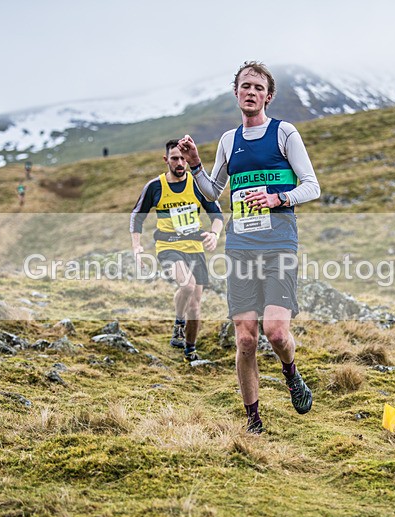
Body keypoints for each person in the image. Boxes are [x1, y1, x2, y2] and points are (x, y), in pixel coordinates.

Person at [178, 61, 321, 434]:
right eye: (246, 86)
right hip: (240, 246)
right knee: (245, 338)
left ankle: (291, 373)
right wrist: (196, 165)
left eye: (259, 87)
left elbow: (312, 186)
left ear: (268, 96)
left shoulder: (283, 133)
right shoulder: (229, 140)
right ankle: (253, 422)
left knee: (276, 332)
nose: (251, 92)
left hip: (278, 244)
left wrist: (278, 198)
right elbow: (213, 192)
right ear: (236, 92)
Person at [130, 139, 224, 362]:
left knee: (196, 306)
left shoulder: (197, 184)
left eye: (183, 158)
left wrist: (214, 234)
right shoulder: (155, 186)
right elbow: (137, 216)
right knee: (187, 284)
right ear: (166, 160)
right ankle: (179, 321)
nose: (180, 163)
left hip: (195, 247)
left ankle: (190, 349)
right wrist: (137, 246)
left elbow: (217, 216)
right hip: (168, 246)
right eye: (175, 158)